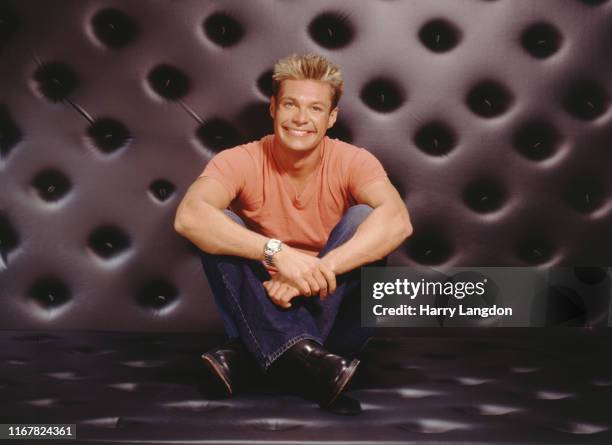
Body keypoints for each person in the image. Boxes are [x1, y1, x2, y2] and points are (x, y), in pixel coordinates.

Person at [174, 53, 412, 409]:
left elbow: (398, 221)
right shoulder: (239, 160)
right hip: (267, 308)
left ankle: (250, 358)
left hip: (333, 316)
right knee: (217, 221)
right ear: (273, 108)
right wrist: (277, 252)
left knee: (365, 216)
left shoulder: (354, 161)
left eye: (315, 109)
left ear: (331, 117)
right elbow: (189, 217)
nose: (301, 118)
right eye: (290, 104)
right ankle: (307, 359)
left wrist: (317, 271)